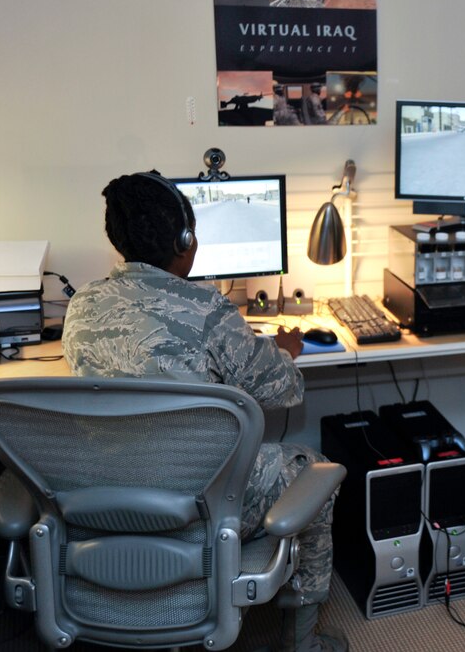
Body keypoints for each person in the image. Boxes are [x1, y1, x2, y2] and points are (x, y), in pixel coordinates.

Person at [62, 171, 347, 652]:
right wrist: (285, 351)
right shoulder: (210, 311)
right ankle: (303, 642)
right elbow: (285, 390)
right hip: (197, 497)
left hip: (105, 490)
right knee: (311, 469)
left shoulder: (82, 304)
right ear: (185, 240)